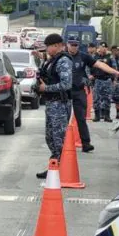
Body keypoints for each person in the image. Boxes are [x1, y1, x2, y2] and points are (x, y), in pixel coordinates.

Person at [66, 36, 119, 153]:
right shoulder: (62, 56)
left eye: (76, 45)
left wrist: (115, 72)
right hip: (64, 92)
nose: (74, 47)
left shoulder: (83, 56)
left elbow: (100, 65)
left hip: (78, 91)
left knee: (81, 118)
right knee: (64, 118)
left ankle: (86, 143)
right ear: (67, 45)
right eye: (72, 45)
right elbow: (48, 57)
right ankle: (62, 142)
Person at [35, 33, 73, 179]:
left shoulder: (63, 61)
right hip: (51, 103)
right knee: (50, 137)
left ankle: (60, 169)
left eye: (48, 47)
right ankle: (55, 166)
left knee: (59, 138)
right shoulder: (52, 60)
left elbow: (66, 84)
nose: (47, 49)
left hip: (59, 103)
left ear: (57, 45)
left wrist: (47, 89)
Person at [91, 42, 114, 122]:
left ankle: (107, 116)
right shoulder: (94, 56)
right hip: (97, 80)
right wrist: (90, 75)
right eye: (101, 47)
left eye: (104, 47)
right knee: (96, 98)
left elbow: (114, 68)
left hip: (107, 80)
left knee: (107, 98)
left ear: (106, 49)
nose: (103, 49)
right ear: (99, 48)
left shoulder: (110, 57)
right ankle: (97, 115)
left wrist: (114, 79)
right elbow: (89, 66)